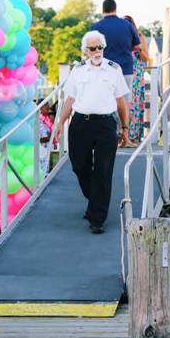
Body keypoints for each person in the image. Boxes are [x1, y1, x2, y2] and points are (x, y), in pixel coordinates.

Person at [53, 31, 130, 234]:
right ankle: (95, 199)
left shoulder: (114, 69)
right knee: (79, 166)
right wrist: (60, 122)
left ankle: (97, 217)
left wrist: (125, 128)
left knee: (103, 172)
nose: (97, 51)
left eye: (100, 47)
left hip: (105, 125)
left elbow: (121, 102)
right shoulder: (78, 70)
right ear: (85, 51)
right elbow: (69, 99)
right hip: (80, 123)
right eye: (93, 48)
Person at [90, 0, 141, 100]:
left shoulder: (97, 26)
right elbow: (138, 46)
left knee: (104, 101)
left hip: (104, 69)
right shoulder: (128, 25)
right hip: (125, 68)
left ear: (103, 10)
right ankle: (124, 117)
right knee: (125, 103)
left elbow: (91, 48)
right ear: (115, 9)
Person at [124, 15, 150, 144]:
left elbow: (146, 58)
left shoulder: (140, 38)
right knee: (121, 104)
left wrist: (138, 48)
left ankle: (133, 136)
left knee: (134, 105)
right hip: (122, 75)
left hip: (136, 77)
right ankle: (121, 135)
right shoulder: (120, 39)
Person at [38, 102, 54, 177]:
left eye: (49, 109)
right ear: (40, 108)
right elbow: (38, 138)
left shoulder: (46, 119)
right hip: (40, 151)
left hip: (46, 151)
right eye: (47, 109)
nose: (48, 111)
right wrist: (51, 137)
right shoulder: (37, 120)